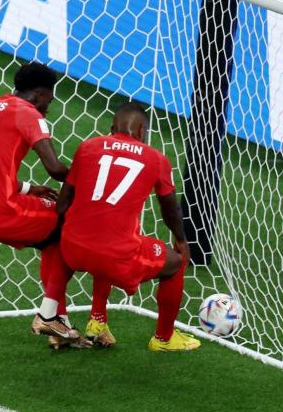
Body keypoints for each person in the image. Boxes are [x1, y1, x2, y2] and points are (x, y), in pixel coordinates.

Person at [0, 62, 112, 345]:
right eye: (50, 100)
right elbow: (55, 168)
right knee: (71, 225)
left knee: (52, 241)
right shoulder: (28, 113)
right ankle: (49, 316)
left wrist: (29, 188)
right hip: (1, 210)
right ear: (40, 94)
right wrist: (90, 182)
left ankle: (60, 324)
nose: (49, 106)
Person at [46, 103, 200, 351]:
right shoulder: (156, 159)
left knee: (105, 231)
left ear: (111, 128)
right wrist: (181, 240)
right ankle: (164, 338)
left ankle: (97, 321)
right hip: (115, 257)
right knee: (174, 263)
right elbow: (171, 209)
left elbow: (63, 203)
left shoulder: (88, 147)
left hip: (71, 251)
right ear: (142, 131)